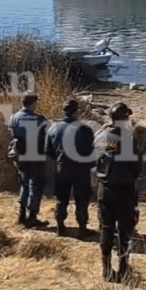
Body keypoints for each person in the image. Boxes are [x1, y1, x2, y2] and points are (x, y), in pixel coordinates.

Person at [94, 102, 143, 283]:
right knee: (125, 230)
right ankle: (123, 267)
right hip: (125, 192)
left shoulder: (101, 136)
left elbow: (93, 159)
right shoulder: (129, 139)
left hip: (105, 190)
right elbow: (138, 168)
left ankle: (106, 268)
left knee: (106, 229)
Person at [45, 99, 95, 237]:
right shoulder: (84, 129)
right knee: (81, 199)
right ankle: (82, 228)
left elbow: (48, 150)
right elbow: (90, 151)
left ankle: (60, 227)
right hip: (81, 168)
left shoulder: (53, 128)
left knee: (61, 199)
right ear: (77, 111)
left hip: (62, 167)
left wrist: (59, 158)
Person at [9, 92, 49, 229]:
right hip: (35, 156)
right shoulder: (39, 120)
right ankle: (32, 216)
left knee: (24, 184)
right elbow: (45, 138)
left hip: (19, 156)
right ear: (33, 103)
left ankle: (21, 216)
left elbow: (13, 134)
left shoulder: (13, 117)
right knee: (35, 186)